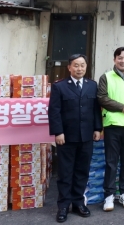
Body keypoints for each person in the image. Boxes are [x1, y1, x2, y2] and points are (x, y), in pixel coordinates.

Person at [48, 54, 103, 223]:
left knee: (82, 171)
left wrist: (97, 129)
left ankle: (78, 203)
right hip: (67, 137)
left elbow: (96, 110)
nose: (79, 68)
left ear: (86, 67)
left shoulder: (92, 85)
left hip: (86, 136)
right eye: (76, 65)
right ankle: (63, 206)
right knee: (65, 173)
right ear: (69, 68)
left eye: (82, 65)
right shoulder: (60, 87)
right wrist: (58, 132)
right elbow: (54, 111)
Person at [97, 47, 124, 211]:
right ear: (114, 59)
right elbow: (101, 98)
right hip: (112, 125)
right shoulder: (106, 77)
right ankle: (109, 195)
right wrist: (121, 107)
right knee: (111, 162)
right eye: (120, 58)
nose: (123, 61)